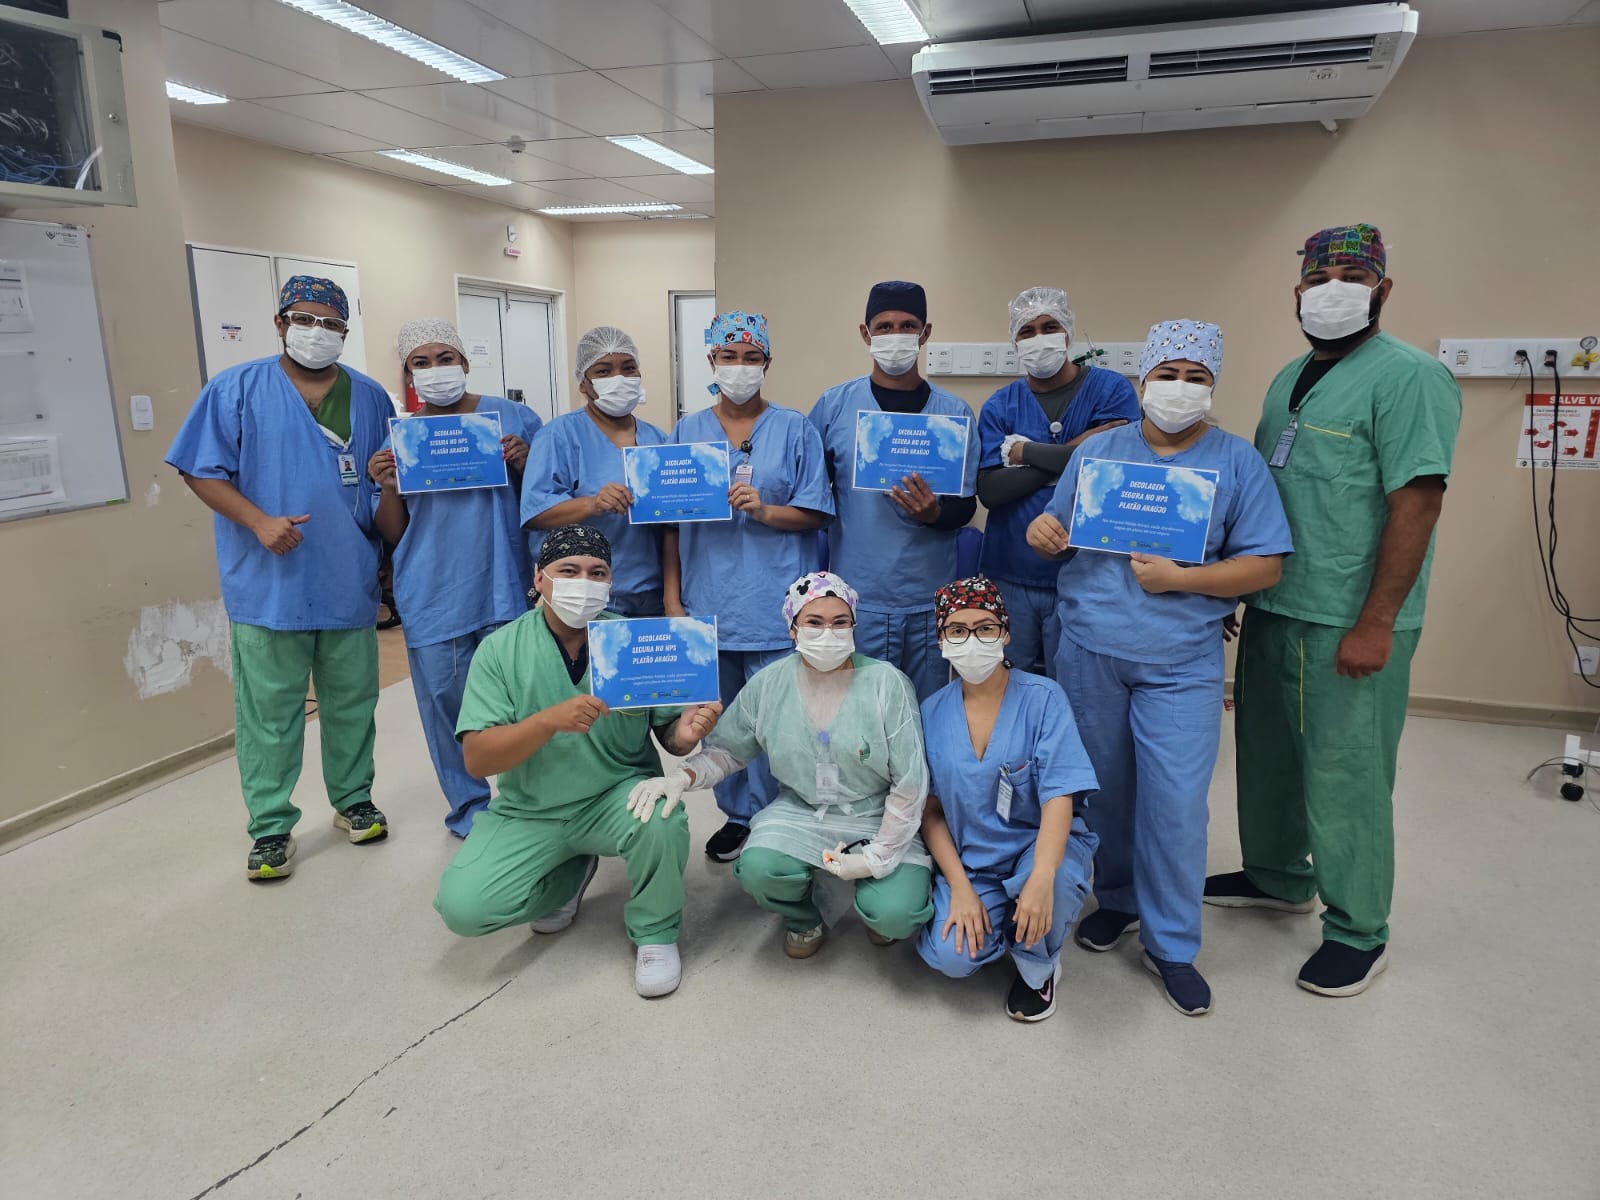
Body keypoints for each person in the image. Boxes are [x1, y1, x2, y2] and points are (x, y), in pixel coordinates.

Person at [1204, 224, 1461, 997]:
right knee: (1269, 758)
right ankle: (1279, 875)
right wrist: (1234, 587)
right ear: (1297, 292)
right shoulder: (1290, 377)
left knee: (1346, 775)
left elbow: (1418, 502)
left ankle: (1358, 929)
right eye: (1319, 278)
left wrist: (1376, 622)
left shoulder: (1410, 377)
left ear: (1384, 289)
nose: (1333, 290)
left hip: (1349, 616)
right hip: (1277, 603)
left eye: (1352, 275)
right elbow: (1266, 494)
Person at [1028, 320, 1293, 1016]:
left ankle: (1172, 943)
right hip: (1090, 648)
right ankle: (1117, 898)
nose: (1179, 388)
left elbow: (1265, 564)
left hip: (1180, 660)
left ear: (1212, 386)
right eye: (1166, 375)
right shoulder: (1099, 452)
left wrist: (1183, 580)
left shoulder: (1236, 462)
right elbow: (1057, 532)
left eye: (1194, 377)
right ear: (1142, 381)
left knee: (1175, 805)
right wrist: (1042, 532)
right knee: (1105, 791)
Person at [432, 525, 721, 999]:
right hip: (532, 809)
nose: (584, 583)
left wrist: (686, 734)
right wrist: (546, 722)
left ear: (610, 583)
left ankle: (655, 932)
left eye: (597, 572)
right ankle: (568, 876)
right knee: (464, 909)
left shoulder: (632, 642)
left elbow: (670, 737)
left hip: (616, 797)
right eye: (568, 570)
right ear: (539, 578)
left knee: (661, 817)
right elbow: (477, 760)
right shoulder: (501, 650)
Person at [166, 276, 391, 881]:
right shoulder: (237, 389)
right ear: (280, 322)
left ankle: (354, 800)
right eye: (305, 319)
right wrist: (258, 521)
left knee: (352, 705)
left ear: (345, 332)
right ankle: (270, 826)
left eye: (331, 324)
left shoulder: (370, 398)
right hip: (268, 584)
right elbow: (198, 469)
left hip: (347, 578)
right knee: (270, 713)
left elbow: (385, 482)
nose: (317, 332)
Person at [631, 571, 933, 958]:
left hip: (877, 813)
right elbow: (729, 750)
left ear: (854, 626)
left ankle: (878, 908)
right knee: (759, 868)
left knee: (895, 914)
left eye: (840, 622)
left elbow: (910, 782)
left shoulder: (887, 684)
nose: (828, 633)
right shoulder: (769, 684)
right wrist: (682, 777)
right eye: (814, 622)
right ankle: (804, 919)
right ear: (793, 628)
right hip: (802, 810)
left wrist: (877, 856)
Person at [662, 312, 833, 864]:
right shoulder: (686, 434)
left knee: (782, 721)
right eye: (728, 357)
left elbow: (817, 513)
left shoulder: (795, 429)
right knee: (723, 722)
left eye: (751, 357)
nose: (740, 367)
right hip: (709, 602)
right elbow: (668, 524)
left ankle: (783, 815)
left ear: (767, 362)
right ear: (711, 362)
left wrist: (764, 510)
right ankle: (738, 817)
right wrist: (673, 600)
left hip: (774, 603)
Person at [369, 318, 541, 837]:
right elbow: (393, 531)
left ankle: (530, 803)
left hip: (503, 582)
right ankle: (469, 807)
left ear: (465, 363)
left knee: (520, 701)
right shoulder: (403, 439)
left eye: (445, 358)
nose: (436, 369)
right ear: (408, 375)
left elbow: (546, 501)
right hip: (433, 587)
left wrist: (525, 463)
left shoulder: (513, 419)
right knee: (446, 703)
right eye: (421, 362)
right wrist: (388, 486)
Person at [915, 576, 1100, 1023]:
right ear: (941, 641)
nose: (972, 640)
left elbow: (1059, 794)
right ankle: (1009, 921)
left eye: (985, 628)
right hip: (975, 861)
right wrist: (961, 888)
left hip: (1038, 847)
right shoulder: (931, 712)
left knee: (1052, 885)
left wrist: (1041, 876)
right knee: (952, 957)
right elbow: (931, 812)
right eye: (957, 630)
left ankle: (1039, 965)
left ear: (1006, 633)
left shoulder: (1043, 699)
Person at [808, 281, 980, 699]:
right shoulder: (834, 407)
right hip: (858, 596)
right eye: (884, 326)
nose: (895, 335)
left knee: (924, 712)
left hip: (927, 597)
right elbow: (813, 496)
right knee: (859, 712)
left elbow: (965, 505)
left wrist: (934, 514)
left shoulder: (953, 414)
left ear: (926, 333)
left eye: (908, 326)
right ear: (865, 334)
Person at [975, 287, 1140, 676]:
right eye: (1027, 331)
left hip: (1087, 572)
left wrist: (1025, 452)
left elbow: (1114, 474)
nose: (1039, 338)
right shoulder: (1000, 404)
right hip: (1010, 569)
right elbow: (992, 491)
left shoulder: (1111, 390)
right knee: (1008, 685)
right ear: (1015, 341)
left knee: (1078, 688)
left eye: (1049, 327)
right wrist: (1078, 451)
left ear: (1068, 332)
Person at [521, 326, 667, 616]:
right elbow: (535, 513)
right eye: (603, 371)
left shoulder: (658, 439)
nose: (619, 378)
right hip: (586, 594)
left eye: (629, 368)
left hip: (651, 591)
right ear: (583, 383)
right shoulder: (559, 435)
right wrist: (593, 504)